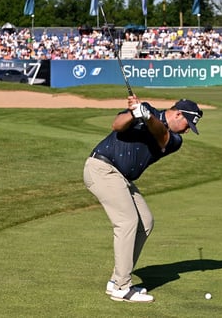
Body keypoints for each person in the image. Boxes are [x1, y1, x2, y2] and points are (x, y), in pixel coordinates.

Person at [83, 96, 204, 303]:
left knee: (145, 222)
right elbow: (116, 125)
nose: (186, 131)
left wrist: (146, 116)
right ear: (178, 114)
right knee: (127, 221)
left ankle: (116, 280)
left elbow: (161, 134)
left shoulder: (174, 140)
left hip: (122, 178)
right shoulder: (144, 109)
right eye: (187, 124)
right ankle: (122, 287)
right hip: (102, 168)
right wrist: (133, 113)